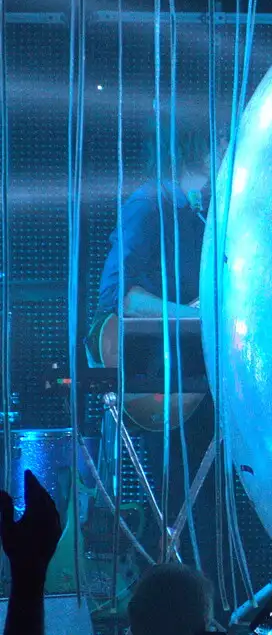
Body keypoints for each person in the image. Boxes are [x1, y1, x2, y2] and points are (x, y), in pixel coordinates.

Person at [88, 117, 221, 579]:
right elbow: (121, 301)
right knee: (182, 504)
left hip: (195, 376)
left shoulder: (205, 215)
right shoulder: (149, 204)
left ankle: (204, 612)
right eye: (221, 140)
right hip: (161, 376)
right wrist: (199, 315)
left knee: (204, 503)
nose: (228, 149)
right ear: (197, 146)